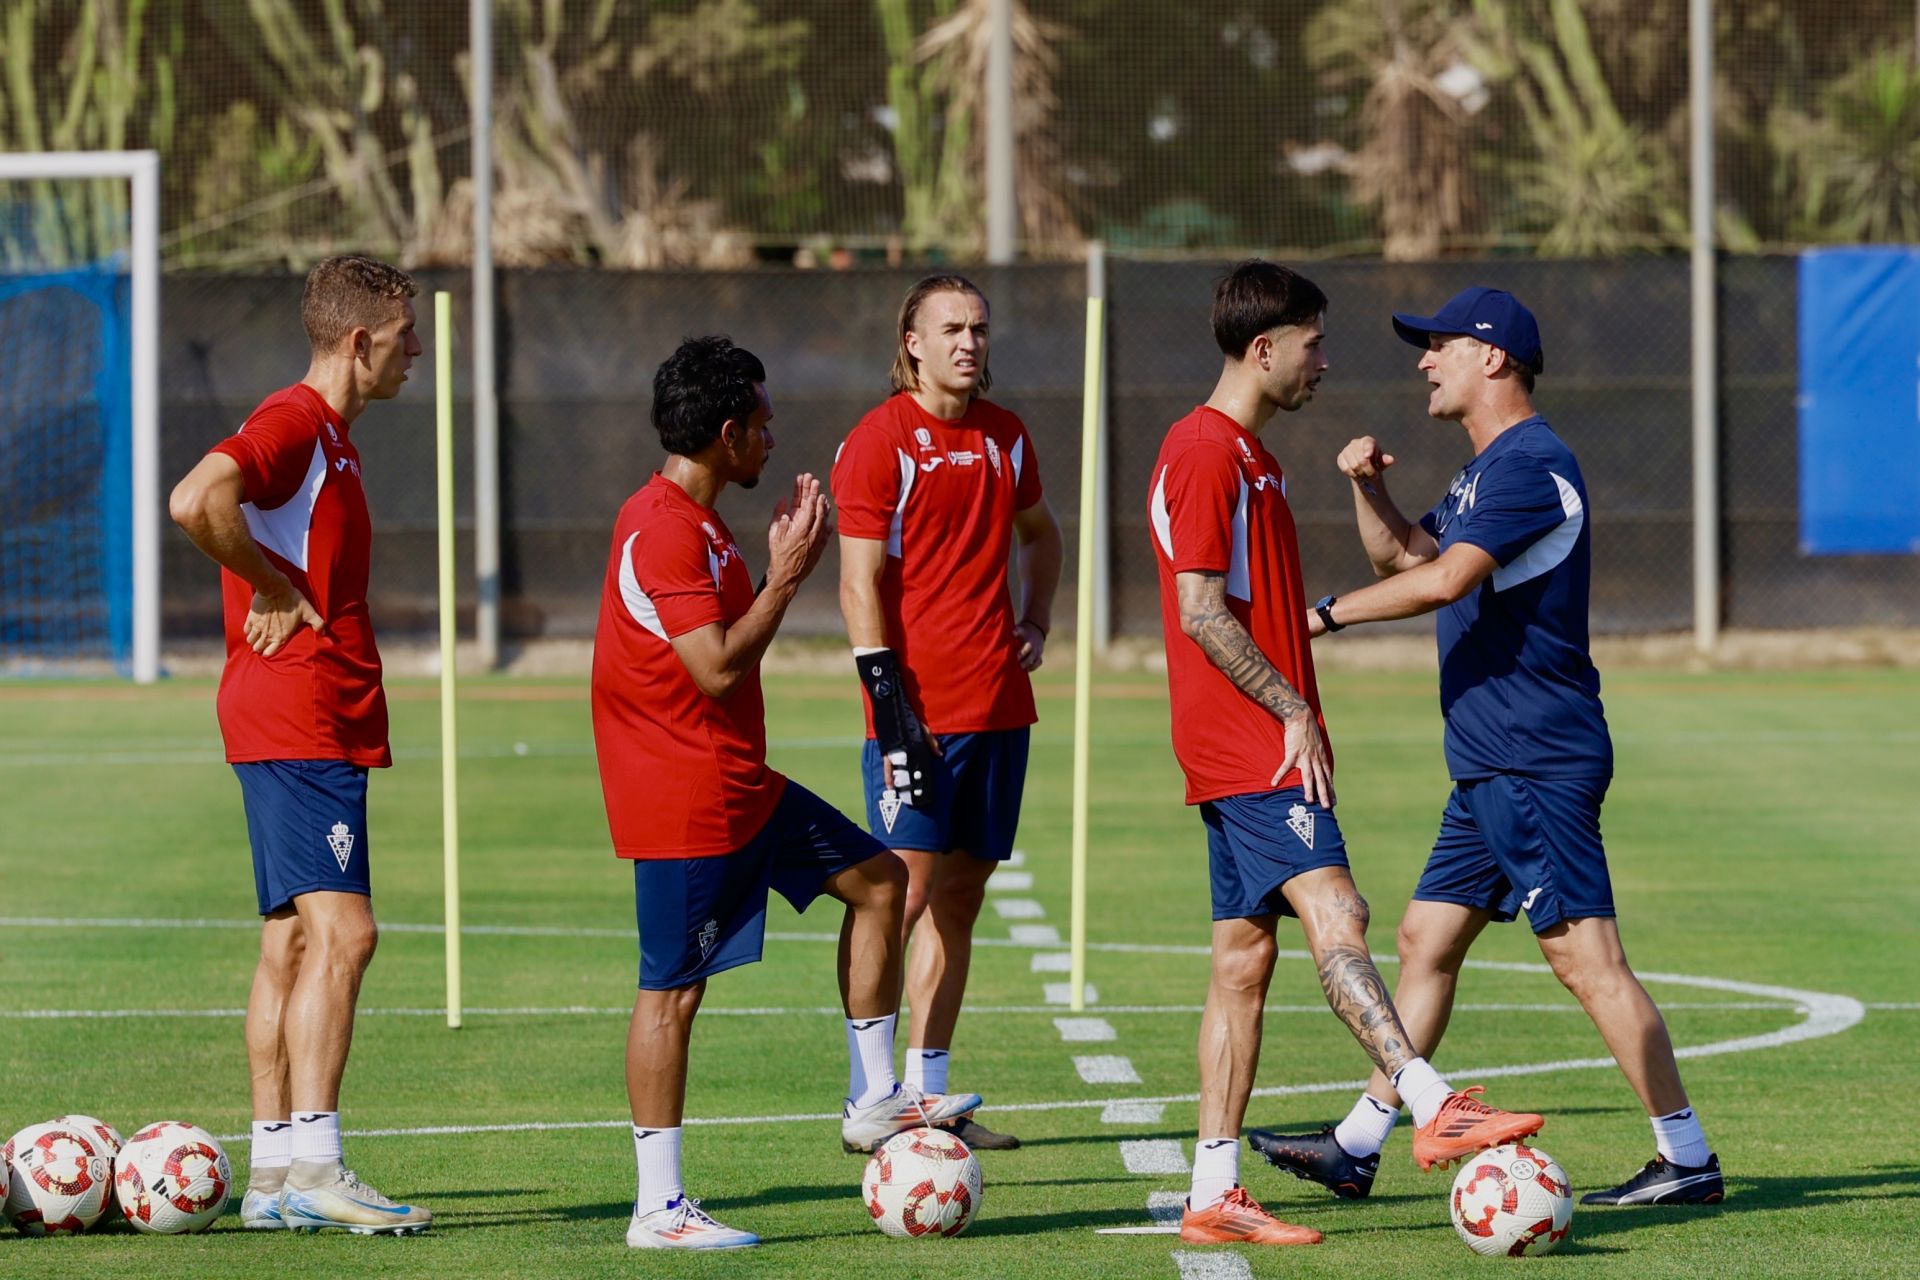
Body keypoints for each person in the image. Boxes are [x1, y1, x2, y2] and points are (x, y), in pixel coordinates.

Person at [1250, 286, 1723, 1208]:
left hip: (1533, 756)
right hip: (1489, 763)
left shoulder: (1530, 465)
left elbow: (1443, 583)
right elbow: (1408, 559)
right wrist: (1367, 488)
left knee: (1586, 957)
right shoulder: (1484, 472)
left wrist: (1317, 618)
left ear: (1493, 357)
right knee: (1426, 940)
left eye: (1440, 346)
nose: (1425, 361)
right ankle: (1355, 1145)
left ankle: (1687, 1155)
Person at [1150, 262, 1546, 1248]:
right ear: (1265, 347)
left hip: (1241, 738)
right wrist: (1289, 706)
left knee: (1242, 962)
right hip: (1253, 740)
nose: (1326, 361)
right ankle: (1429, 1101)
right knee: (1341, 910)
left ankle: (1214, 1192)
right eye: (1315, 342)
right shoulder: (1205, 451)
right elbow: (1202, 612)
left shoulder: (1252, 457)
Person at [594, 336, 981, 1251]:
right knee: (671, 996)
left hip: (741, 784)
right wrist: (791, 573)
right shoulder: (660, 529)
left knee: (883, 880)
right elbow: (719, 669)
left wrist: (771, 568)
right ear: (727, 433)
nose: (773, 440)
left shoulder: (698, 521)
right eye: (762, 427)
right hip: (685, 801)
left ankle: (873, 1099)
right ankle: (658, 1208)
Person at [167, 254, 431, 1234]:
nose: (416, 356)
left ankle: (276, 1173)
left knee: (289, 943)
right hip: (297, 715)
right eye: (406, 339)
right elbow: (196, 499)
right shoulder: (296, 422)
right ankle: (321, 1158)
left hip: (297, 716)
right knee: (348, 934)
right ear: (361, 342)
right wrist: (275, 587)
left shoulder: (336, 438)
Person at [831, 274, 1063, 1152]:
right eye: (951, 329)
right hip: (914, 715)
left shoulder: (1007, 437)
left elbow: (1042, 534)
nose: (969, 342)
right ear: (913, 341)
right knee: (900, 894)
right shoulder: (880, 439)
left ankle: (928, 1095)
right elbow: (858, 581)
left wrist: (1036, 618)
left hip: (1000, 706)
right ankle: (870, 1097)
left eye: (980, 328)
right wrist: (887, 699)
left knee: (959, 901)